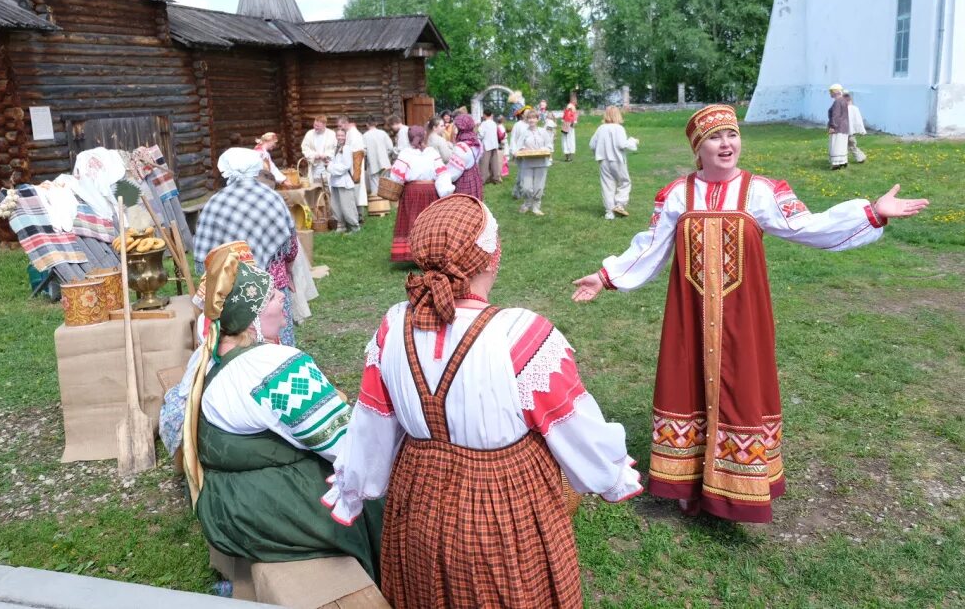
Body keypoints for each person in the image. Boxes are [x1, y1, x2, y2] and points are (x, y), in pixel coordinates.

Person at [571, 104, 929, 522]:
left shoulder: (762, 191)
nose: (726, 144)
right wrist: (605, 276)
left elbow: (808, 227)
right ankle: (686, 482)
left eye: (732, 135)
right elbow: (650, 247)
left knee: (741, 389)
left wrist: (872, 212)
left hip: (744, 319)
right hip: (690, 316)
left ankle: (737, 487)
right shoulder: (677, 194)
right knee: (687, 385)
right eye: (715, 138)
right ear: (698, 148)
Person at [322, 195, 642, 608]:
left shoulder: (392, 326)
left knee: (427, 593)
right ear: (489, 257)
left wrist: (356, 484)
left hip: (417, 496)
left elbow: (372, 423)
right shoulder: (521, 335)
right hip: (503, 500)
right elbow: (573, 426)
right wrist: (611, 473)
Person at [181, 241, 383, 580]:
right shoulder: (272, 365)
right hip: (260, 509)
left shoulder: (213, 358)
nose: (283, 301)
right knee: (376, 496)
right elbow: (349, 445)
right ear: (252, 319)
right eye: (274, 296)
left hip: (225, 504)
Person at [193, 148, 299, 346]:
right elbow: (291, 245)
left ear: (225, 170)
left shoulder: (216, 203)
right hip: (273, 283)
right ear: (255, 167)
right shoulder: (272, 197)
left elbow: (206, 257)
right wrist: (288, 269)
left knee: (239, 342)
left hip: (235, 289)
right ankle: (281, 368)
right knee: (278, 337)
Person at [387, 126, 454, 262]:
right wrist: (446, 191)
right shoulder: (432, 153)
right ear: (424, 137)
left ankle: (413, 254)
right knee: (430, 222)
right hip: (430, 191)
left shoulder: (405, 154)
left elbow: (396, 178)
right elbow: (442, 174)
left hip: (412, 192)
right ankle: (431, 253)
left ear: (409, 138)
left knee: (413, 221)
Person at [589, 105, 639, 220]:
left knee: (607, 185)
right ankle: (619, 204)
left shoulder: (601, 128)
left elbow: (592, 144)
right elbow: (622, 144)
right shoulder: (618, 128)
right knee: (624, 182)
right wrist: (633, 141)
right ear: (618, 115)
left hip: (604, 161)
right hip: (617, 160)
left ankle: (609, 212)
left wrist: (598, 154)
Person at [518, 109, 553, 216]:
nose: (531, 120)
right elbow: (518, 146)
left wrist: (543, 149)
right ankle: (527, 203)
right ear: (527, 119)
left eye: (534, 118)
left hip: (541, 162)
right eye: (529, 118)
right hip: (527, 163)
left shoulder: (543, 132)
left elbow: (549, 145)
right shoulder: (524, 133)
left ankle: (536, 207)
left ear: (538, 119)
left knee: (539, 187)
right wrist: (522, 149)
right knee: (526, 188)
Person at [328, 129, 361, 234]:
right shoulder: (336, 148)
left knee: (347, 206)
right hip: (335, 182)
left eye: (342, 135)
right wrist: (329, 163)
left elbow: (346, 166)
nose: (340, 137)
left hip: (344, 182)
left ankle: (355, 227)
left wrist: (330, 168)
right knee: (336, 205)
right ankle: (341, 225)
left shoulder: (346, 148)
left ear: (346, 137)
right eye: (338, 135)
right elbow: (334, 162)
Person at [448, 113, 484, 199]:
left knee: (463, 206)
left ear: (459, 128)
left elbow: (453, 174)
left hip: (463, 180)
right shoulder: (477, 141)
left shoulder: (461, 147)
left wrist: (443, 176)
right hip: (474, 176)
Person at [337, 115, 368, 213]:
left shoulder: (354, 134)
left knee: (356, 191)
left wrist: (354, 172)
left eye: (340, 125)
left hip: (355, 167)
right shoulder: (350, 133)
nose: (340, 128)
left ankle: (358, 215)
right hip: (352, 166)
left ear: (345, 123)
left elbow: (357, 153)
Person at [362, 116, 394, 193]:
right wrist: (385, 155)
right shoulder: (383, 133)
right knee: (385, 185)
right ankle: (387, 203)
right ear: (376, 123)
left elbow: (364, 151)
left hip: (373, 164)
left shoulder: (365, 136)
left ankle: (378, 204)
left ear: (367, 124)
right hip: (384, 163)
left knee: (375, 187)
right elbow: (391, 148)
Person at [301, 116, 335, 186]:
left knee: (328, 188)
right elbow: (305, 147)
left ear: (324, 125)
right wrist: (314, 155)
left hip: (327, 167)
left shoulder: (332, 134)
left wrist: (326, 155)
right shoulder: (309, 134)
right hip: (315, 167)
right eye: (314, 125)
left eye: (318, 126)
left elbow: (335, 149)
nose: (315, 127)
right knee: (317, 188)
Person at [827, 84, 851, 170]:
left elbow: (836, 115)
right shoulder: (844, 100)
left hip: (838, 127)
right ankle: (843, 162)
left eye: (831, 91)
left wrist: (833, 126)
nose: (830, 93)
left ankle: (836, 164)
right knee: (842, 146)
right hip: (844, 126)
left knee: (836, 145)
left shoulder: (837, 101)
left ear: (836, 92)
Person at [509, 107, 530, 199]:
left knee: (530, 173)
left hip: (532, 153)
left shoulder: (532, 124)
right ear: (522, 115)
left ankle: (531, 191)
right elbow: (513, 139)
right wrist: (514, 151)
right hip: (521, 153)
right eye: (527, 112)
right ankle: (517, 191)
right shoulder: (518, 125)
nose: (529, 113)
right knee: (522, 173)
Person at [477, 108, 502, 183]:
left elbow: (481, 135)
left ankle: (483, 179)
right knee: (494, 162)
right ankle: (496, 178)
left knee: (484, 163)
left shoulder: (484, 124)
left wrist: (477, 136)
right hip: (494, 144)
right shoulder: (493, 123)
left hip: (486, 144)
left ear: (484, 115)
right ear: (491, 115)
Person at [845, 91, 868, 164]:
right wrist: (861, 130)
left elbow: (857, 120)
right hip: (850, 132)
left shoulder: (849, 109)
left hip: (846, 131)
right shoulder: (854, 108)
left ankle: (860, 157)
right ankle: (860, 157)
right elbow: (858, 120)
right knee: (851, 145)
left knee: (850, 146)